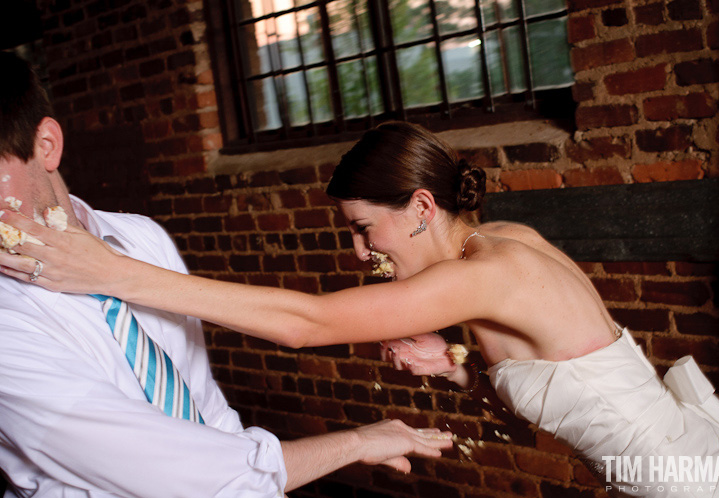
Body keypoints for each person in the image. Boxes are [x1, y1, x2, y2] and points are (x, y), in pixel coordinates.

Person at [2, 113, 719, 495]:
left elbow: (308, 324)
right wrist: (456, 368)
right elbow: (578, 377)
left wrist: (114, 273)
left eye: (365, 230)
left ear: (421, 207)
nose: (361, 254)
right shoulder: (500, 245)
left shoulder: (485, 277)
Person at [0, 52, 454, 498]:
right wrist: (352, 443)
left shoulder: (140, 239)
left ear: (47, 146)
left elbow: (202, 403)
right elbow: (182, 475)